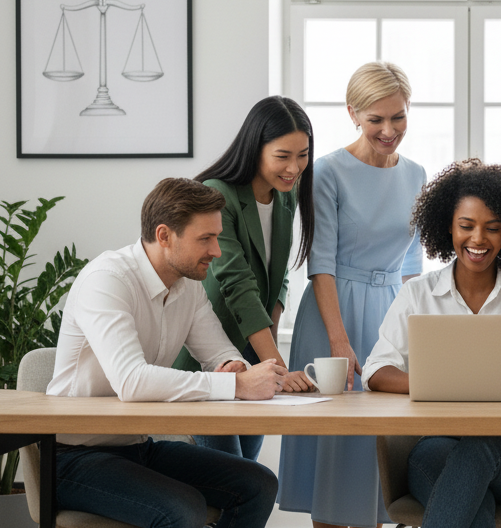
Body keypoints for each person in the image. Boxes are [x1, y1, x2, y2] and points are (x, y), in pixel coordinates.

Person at [46, 178, 286, 528]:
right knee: (182, 508)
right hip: (73, 457)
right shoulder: (107, 279)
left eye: (217, 236)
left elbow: (219, 353)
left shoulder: (188, 287)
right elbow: (132, 381)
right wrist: (236, 386)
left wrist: (233, 367)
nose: (217, 251)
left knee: (258, 484)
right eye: (205, 238)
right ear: (164, 236)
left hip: (138, 447)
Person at [362, 159, 501, 528]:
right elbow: (376, 371)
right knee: (469, 495)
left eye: (492, 228)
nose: (478, 239)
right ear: (447, 227)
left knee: (474, 456)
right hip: (434, 447)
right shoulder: (418, 293)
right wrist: (440, 388)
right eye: (466, 226)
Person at [277, 61, 427, 528]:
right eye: (375, 119)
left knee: (381, 449)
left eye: (398, 117)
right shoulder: (326, 172)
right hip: (332, 314)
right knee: (338, 452)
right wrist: (338, 341)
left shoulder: (418, 174)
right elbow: (320, 262)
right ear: (353, 114)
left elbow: (412, 267)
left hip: (390, 313)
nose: (388, 130)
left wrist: (415, 337)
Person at [172, 96, 316, 460]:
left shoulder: (285, 194)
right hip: (213, 354)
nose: (294, 167)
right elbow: (236, 284)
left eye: (303, 155)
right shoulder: (219, 194)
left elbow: (278, 274)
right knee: (230, 470)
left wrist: (267, 352)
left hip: (256, 349)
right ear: (256, 148)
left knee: (247, 469)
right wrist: (279, 368)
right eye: (283, 156)